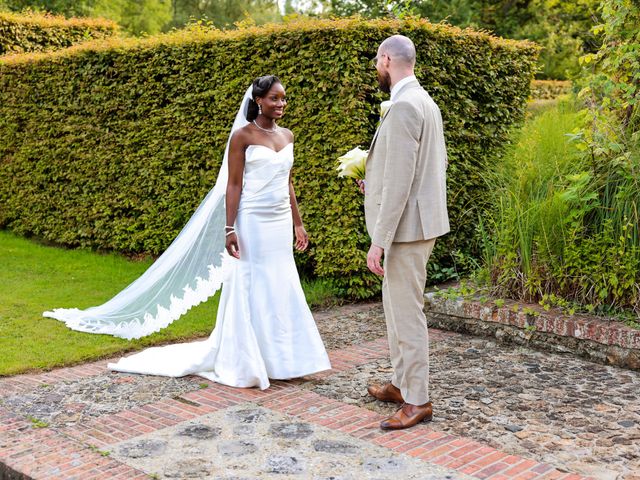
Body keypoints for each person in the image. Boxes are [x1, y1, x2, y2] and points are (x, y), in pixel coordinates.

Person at [44, 76, 331, 389]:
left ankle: (285, 359)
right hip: (253, 221)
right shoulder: (242, 137)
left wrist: (298, 222)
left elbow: (287, 182)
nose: (281, 104)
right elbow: (233, 185)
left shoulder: (288, 136)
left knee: (282, 283)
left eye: (284, 99)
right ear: (259, 100)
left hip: (279, 222)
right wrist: (229, 227)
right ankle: (249, 359)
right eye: (274, 99)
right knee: (254, 284)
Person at [361, 35, 450, 430]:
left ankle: (417, 401)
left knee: (407, 314)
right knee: (396, 309)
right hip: (418, 221)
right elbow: (429, 166)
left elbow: (400, 181)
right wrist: (373, 184)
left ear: (386, 60)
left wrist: (379, 240)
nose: (376, 69)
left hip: (405, 231)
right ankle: (401, 383)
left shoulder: (402, 107)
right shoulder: (425, 101)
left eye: (377, 63)